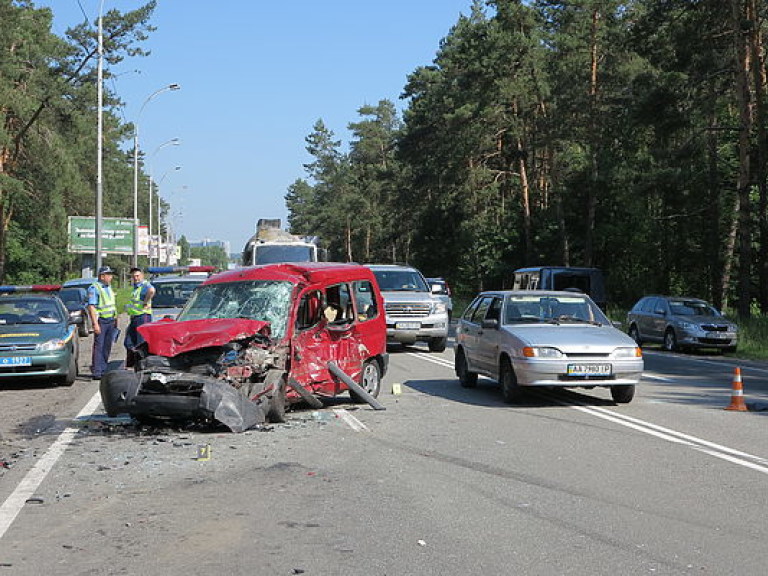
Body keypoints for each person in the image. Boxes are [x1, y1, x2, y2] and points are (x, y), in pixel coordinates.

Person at [87, 266, 117, 379]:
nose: (111, 277)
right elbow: (91, 307)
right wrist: (95, 324)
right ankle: (97, 371)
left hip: (110, 320)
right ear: (102, 276)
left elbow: (112, 305)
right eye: (108, 275)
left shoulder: (108, 287)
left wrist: (116, 318)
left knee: (107, 346)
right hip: (101, 321)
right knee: (99, 346)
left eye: (111, 274)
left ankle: (104, 369)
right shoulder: (94, 288)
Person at [123, 267, 155, 368]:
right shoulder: (136, 287)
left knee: (141, 343)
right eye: (133, 276)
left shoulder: (144, 285)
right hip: (135, 317)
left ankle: (142, 365)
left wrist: (146, 301)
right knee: (129, 341)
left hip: (143, 316)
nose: (135, 278)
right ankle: (135, 362)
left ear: (142, 275)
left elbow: (152, 290)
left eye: (137, 276)